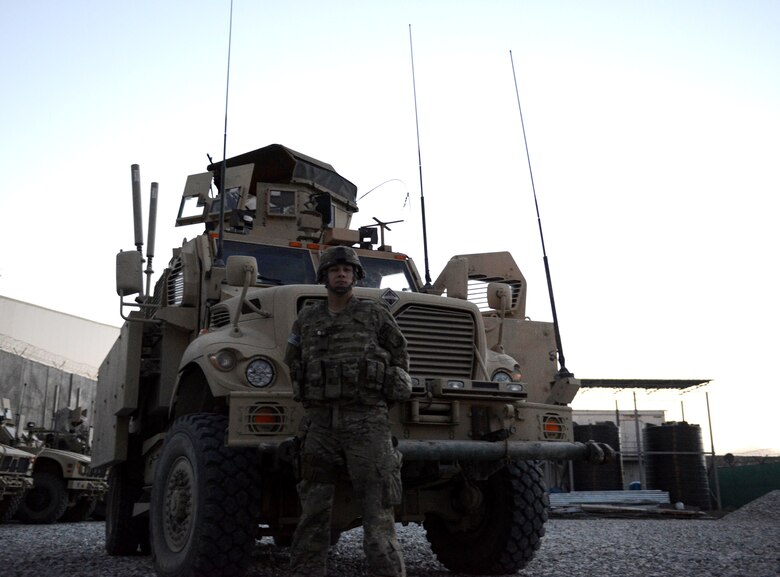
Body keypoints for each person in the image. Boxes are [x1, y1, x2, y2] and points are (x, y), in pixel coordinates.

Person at [284, 245, 412, 577]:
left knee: (378, 509)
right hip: (320, 424)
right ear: (324, 276)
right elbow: (293, 358)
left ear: (355, 276)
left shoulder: (374, 314)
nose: (341, 274)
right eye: (334, 269)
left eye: (347, 270)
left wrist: (386, 390)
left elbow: (399, 354)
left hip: (366, 421)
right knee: (313, 507)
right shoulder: (308, 318)